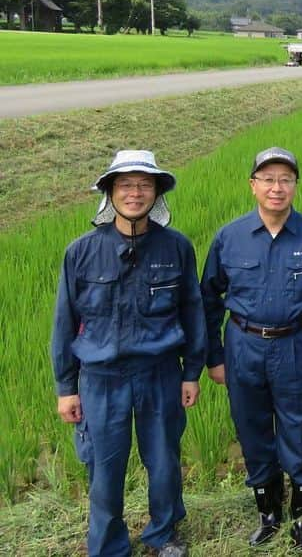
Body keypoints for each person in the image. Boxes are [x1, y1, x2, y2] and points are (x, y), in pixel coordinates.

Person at [51, 150, 206, 557]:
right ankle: (107, 545)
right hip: (101, 379)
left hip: (160, 374)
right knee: (104, 470)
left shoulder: (176, 247)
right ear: (109, 193)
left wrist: (192, 372)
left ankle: (163, 535)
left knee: (164, 464)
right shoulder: (81, 252)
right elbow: (64, 322)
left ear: (156, 193)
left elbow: (192, 311)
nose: (135, 193)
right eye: (125, 185)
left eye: (144, 185)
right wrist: (66, 387)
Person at [200, 147, 302, 549]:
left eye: (285, 179)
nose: (277, 188)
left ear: (295, 185)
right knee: (252, 430)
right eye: (268, 179)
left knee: (300, 431)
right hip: (243, 347)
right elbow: (208, 301)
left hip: (296, 346)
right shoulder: (229, 237)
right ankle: (268, 513)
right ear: (253, 185)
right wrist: (214, 356)